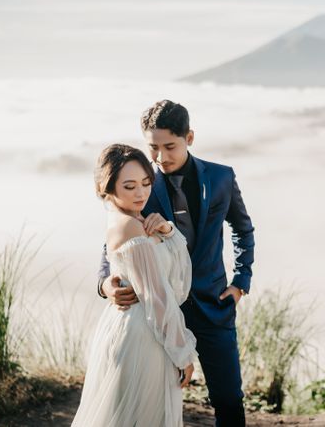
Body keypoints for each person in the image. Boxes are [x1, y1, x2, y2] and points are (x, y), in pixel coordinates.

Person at [98, 100, 255, 426]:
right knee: (155, 400)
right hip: (158, 314)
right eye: (152, 147)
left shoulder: (221, 177)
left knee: (228, 399)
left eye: (169, 146)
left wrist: (241, 281)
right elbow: (111, 244)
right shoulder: (142, 185)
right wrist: (104, 284)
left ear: (190, 137)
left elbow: (242, 228)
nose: (160, 157)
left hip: (214, 304)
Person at [73, 144, 197, 427]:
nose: (141, 193)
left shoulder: (133, 218)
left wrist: (167, 230)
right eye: (129, 186)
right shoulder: (129, 226)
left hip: (135, 326)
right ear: (108, 188)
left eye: (145, 183)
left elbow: (170, 279)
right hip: (143, 334)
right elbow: (159, 297)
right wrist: (183, 354)